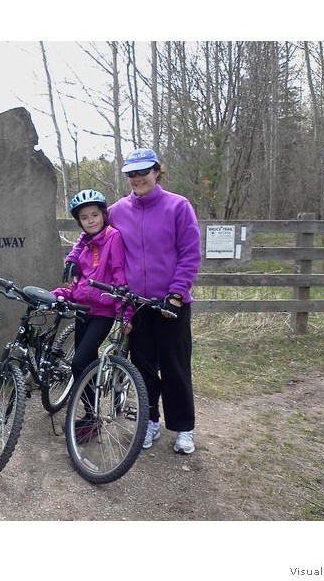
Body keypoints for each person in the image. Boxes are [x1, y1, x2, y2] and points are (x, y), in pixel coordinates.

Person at [64, 148, 201, 454]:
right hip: (135, 303)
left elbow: (190, 254)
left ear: (157, 172)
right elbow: (90, 231)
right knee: (143, 367)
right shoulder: (118, 210)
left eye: (143, 172)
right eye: (132, 174)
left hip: (170, 303)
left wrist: (177, 294)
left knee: (175, 366)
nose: (137, 178)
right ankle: (149, 420)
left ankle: (183, 428)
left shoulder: (178, 206)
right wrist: (73, 259)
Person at [51, 189, 130, 441]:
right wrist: (69, 268)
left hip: (103, 312)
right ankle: (90, 411)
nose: (91, 220)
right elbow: (78, 263)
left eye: (95, 215)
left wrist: (124, 313)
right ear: (79, 222)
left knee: (79, 362)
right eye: (85, 218)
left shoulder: (112, 237)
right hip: (83, 308)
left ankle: (91, 414)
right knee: (86, 361)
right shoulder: (85, 240)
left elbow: (119, 275)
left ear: (103, 214)